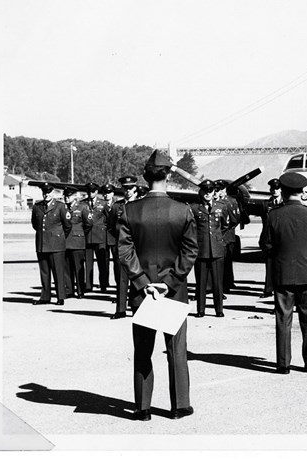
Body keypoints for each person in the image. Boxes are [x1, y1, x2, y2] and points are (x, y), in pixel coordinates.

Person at [117, 149, 198, 421]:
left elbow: (125, 253)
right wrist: (169, 282)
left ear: (144, 176)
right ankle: (180, 406)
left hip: (142, 292)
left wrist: (144, 282)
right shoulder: (182, 211)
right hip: (173, 292)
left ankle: (142, 408)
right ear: (168, 175)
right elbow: (190, 252)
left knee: (142, 350)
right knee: (176, 349)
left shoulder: (129, 211)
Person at [259, 172, 307, 374]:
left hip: (283, 274)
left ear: (284, 191)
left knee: (283, 319)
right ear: (302, 192)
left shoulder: (273, 215)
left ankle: (283, 363)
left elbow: (265, 244)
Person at [191, 180, 230, 317]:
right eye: (205, 191)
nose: (208, 193)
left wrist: (218, 239)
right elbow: (192, 228)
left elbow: (225, 225)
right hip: (201, 250)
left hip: (217, 249)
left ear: (214, 192)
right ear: (200, 192)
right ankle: (200, 310)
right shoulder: (194, 208)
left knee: (218, 282)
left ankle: (219, 310)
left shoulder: (221, 207)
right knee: (201, 282)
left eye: (210, 191)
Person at [30, 182, 72, 305]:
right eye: (44, 192)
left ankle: (60, 297)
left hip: (56, 245)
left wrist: (58, 238)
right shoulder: (37, 206)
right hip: (42, 244)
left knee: (58, 272)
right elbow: (34, 224)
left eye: (48, 192)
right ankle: (45, 296)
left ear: (53, 192)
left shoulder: (60, 206)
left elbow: (67, 226)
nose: (46, 194)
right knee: (44, 272)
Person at [109, 175, 138, 319]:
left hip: (137, 248)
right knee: (121, 279)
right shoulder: (116, 207)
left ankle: (136, 308)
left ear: (135, 189)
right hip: (121, 248)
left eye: (130, 188)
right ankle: (120, 310)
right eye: (125, 188)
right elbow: (110, 226)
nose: (128, 191)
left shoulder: (141, 205)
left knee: (137, 278)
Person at [63, 187, 93, 298]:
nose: (67, 198)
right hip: (65, 242)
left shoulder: (82, 207)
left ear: (75, 196)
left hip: (77, 241)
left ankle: (80, 290)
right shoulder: (62, 207)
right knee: (67, 268)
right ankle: (69, 290)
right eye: (65, 196)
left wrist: (79, 233)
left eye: (69, 196)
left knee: (78, 267)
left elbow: (88, 223)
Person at [215, 180, 240, 293]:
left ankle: (227, 283)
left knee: (227, 261)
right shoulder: (215, 202)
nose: (218, 192)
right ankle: (224, 284)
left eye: (220, 189)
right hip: (218, 237)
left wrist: (225, 231)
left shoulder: (231, 202)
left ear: (225, 189)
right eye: (216, 190)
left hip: (227, 236)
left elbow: (235, 219)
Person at [84, 182, 110, 293]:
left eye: (93, 191)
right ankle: (88, 286)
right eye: (89, 191)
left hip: (100, 237)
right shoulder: (82, 204)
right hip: (87, 237)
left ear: (96, 192)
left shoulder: (103, 204)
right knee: (88, 263)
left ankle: (103, 285)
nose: (91, 193)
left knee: (102, 263)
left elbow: (109, 219)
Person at [260, 178, 283, 299]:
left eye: (277, 188)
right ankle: (268, 289)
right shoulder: (265, 204)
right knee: (269, 264)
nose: (275, 191)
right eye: (273, 189)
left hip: (281, 238)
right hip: (268, 238)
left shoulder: (284, 204)